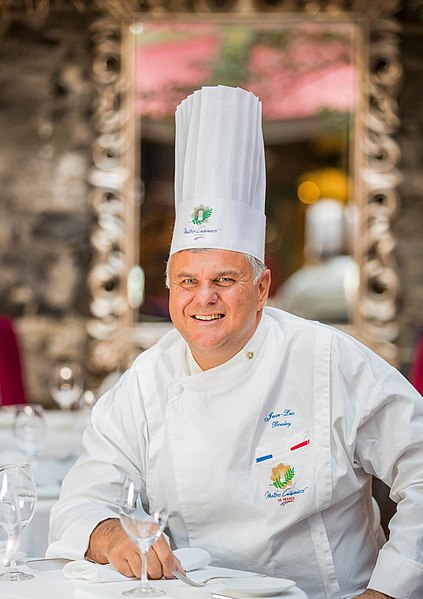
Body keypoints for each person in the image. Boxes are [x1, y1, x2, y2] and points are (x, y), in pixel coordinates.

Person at [47, 86, 423, 599]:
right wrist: (107, 534)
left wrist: (388, 590)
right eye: (186, 281)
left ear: (263, 287)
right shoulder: (146, 379)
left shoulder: (327, 357)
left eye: (224, 279)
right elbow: (80, 499)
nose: (204, 299)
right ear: (169, 287)